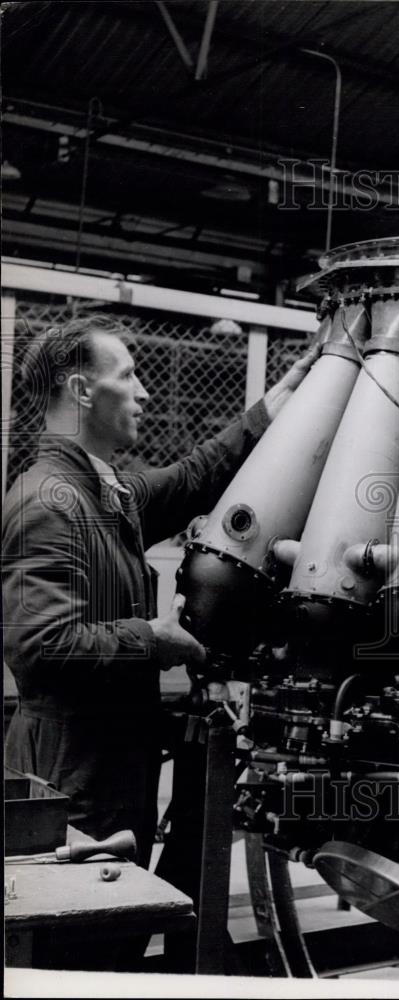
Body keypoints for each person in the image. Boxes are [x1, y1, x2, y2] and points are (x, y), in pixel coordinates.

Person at [3, 314, 318, 868]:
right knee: (81, 946)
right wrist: (154, 639)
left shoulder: (105, 492)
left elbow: (194, 477)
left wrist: (275, 407)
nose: (143, 392)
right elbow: (41, 646)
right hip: (71, 783)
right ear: (81, 389)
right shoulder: (50, 503)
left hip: (107, 769)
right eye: (126, 377)